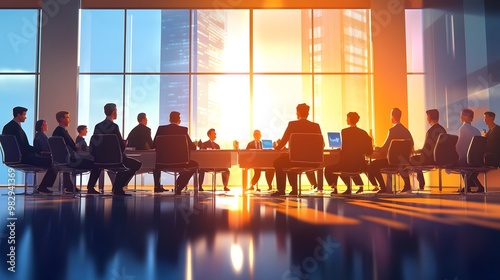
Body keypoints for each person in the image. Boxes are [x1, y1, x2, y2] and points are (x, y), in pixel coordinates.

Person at [87, 103, 142, 195]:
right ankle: (117, 187)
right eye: (116, 110)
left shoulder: (98, 126)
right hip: (115, 159)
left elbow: (96, 144)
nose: (117, 112)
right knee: (136, 164)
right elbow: (120, 145)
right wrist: (125, 144)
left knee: (97, 165)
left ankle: (90, 187)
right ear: (113, 112)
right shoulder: (114, 127)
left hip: (100, 160)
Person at [271, 103, 324, 196]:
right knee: (289, 158)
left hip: (295, 161)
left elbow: (282, 143)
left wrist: (277, 146)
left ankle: (282, 190)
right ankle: (294, 189)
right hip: (312, 162)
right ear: (307, 114)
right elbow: (322, 144)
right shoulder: (316, 126)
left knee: (278, 162)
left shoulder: (292, 125)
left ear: (298, 113)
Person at [2, 106, 57, 193]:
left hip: (13, 157)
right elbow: (24, 145)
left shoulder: (8, 127)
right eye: (24, 115)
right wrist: (39, 151)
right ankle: (43, 187)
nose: (25, 117)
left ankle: (42, 187)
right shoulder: (15, 128)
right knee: (53, 162)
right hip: (23, 157)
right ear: (18, 115)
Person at [324, 112, 372, 195]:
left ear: (349, 119)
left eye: (347, 118)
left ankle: (334, 188)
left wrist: (341, 149)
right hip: (359, 165)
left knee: (329, 169)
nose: (346, 120)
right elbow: (369, 150)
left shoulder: (345, 131)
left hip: (347, 165)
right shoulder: (363, 132)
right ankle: (352, 187)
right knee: (340, 167)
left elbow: (346, 148)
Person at [368, 108, 414, 194]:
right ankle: (407, 184)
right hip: (403, 162)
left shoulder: (392, 131)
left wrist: (377, 148)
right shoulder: (406, 131)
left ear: (393, 116)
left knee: (373, 165)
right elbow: (411, 145)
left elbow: (384, 149)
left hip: (391, 162)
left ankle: (383, 187)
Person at [153, 111, 198, 194]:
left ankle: (157, 186)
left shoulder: (161, 129)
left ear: (169, 119)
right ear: (179, 120)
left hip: (162, 163)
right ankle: (179, 185)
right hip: (181, 163)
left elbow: (153, 145)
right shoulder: (183, 130)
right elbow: (193, 147)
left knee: (154, 161)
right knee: (195, 165)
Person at [52, 111, 94, 193]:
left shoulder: (57, 131)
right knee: (95, 164)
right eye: (67, 117)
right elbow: (72, 146)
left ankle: (69, 186)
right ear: (61, 119)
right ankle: (91, 188)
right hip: (70, 160)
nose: (69, 120)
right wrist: (77, 147)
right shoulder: (62, 132)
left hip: (62, 159)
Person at [409, 109, 446, 189]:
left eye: (427, 116)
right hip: (440, 158)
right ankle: (421, 182)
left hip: (430, 158)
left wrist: (415, 151)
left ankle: (420, 182)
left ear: (429, 117)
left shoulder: (431, 131)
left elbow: (426, 150)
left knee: (411, 160)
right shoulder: (443, 130)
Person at [455, 108, 483, 193]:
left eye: (462, 114)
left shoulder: (463, 128)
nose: (460, 116)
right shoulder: (477, 130)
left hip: (468, 158)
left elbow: (461, 145)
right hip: (477, 158)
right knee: (465, 166)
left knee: (459, 163)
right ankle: (470, 186)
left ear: (466, 117)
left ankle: (467, 187)